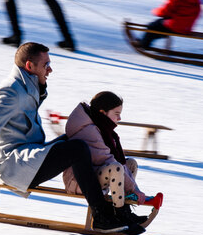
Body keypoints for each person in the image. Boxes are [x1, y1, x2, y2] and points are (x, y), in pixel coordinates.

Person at [0, 42, 144, 235]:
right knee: (77, 148)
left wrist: (41, 87)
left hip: (26, 157)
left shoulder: (25, 86)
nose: (50, 69)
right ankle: (102, 216)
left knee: (76, 139)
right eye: (46, 64)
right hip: (14, 165)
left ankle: (119, 209)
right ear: (30, 66)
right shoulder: (10, 92)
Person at [63, 91, 149, 225]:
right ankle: (120, 214)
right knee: (116, 168)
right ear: (103, 113)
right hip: (78, 181)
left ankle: (125, 209)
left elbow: (116, 159)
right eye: (116, 114)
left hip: (94, 174)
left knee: (130, 163)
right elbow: (107, 160)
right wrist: (135, 189)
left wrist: (135, 189)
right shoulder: (89, 131)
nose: (119, 118)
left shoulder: (101, 126)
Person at [137, 0, 201, 49]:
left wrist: (156, 11)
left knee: (152, 26)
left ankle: (143, 46)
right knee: (158, 26)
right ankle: (144, 43)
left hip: (175, 25)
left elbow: (167, 10)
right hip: (186, 26)